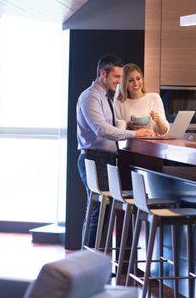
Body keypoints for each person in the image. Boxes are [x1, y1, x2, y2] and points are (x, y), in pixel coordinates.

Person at [76, 54, 155, 248]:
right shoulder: (91, 96)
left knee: (101, 209)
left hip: (104, 160)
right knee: (99, 209)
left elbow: (108, 126)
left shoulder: (104, 97)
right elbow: (101, 130)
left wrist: (128, 126)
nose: (119, 81)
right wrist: (134, 134)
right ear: (103, 73)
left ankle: (94, 261)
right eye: (117, 77)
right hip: (95, 159)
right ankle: (90, 262)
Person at [114, 63, 170, 136]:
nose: (136, 83)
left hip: (152, 145)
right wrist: (128, 126)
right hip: (129, 145)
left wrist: (158, 120)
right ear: (124, 83)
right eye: (130, 80)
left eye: (138, 78)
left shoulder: (154, 98)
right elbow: (116, 131)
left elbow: (164, 132)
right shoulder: (119, 102)